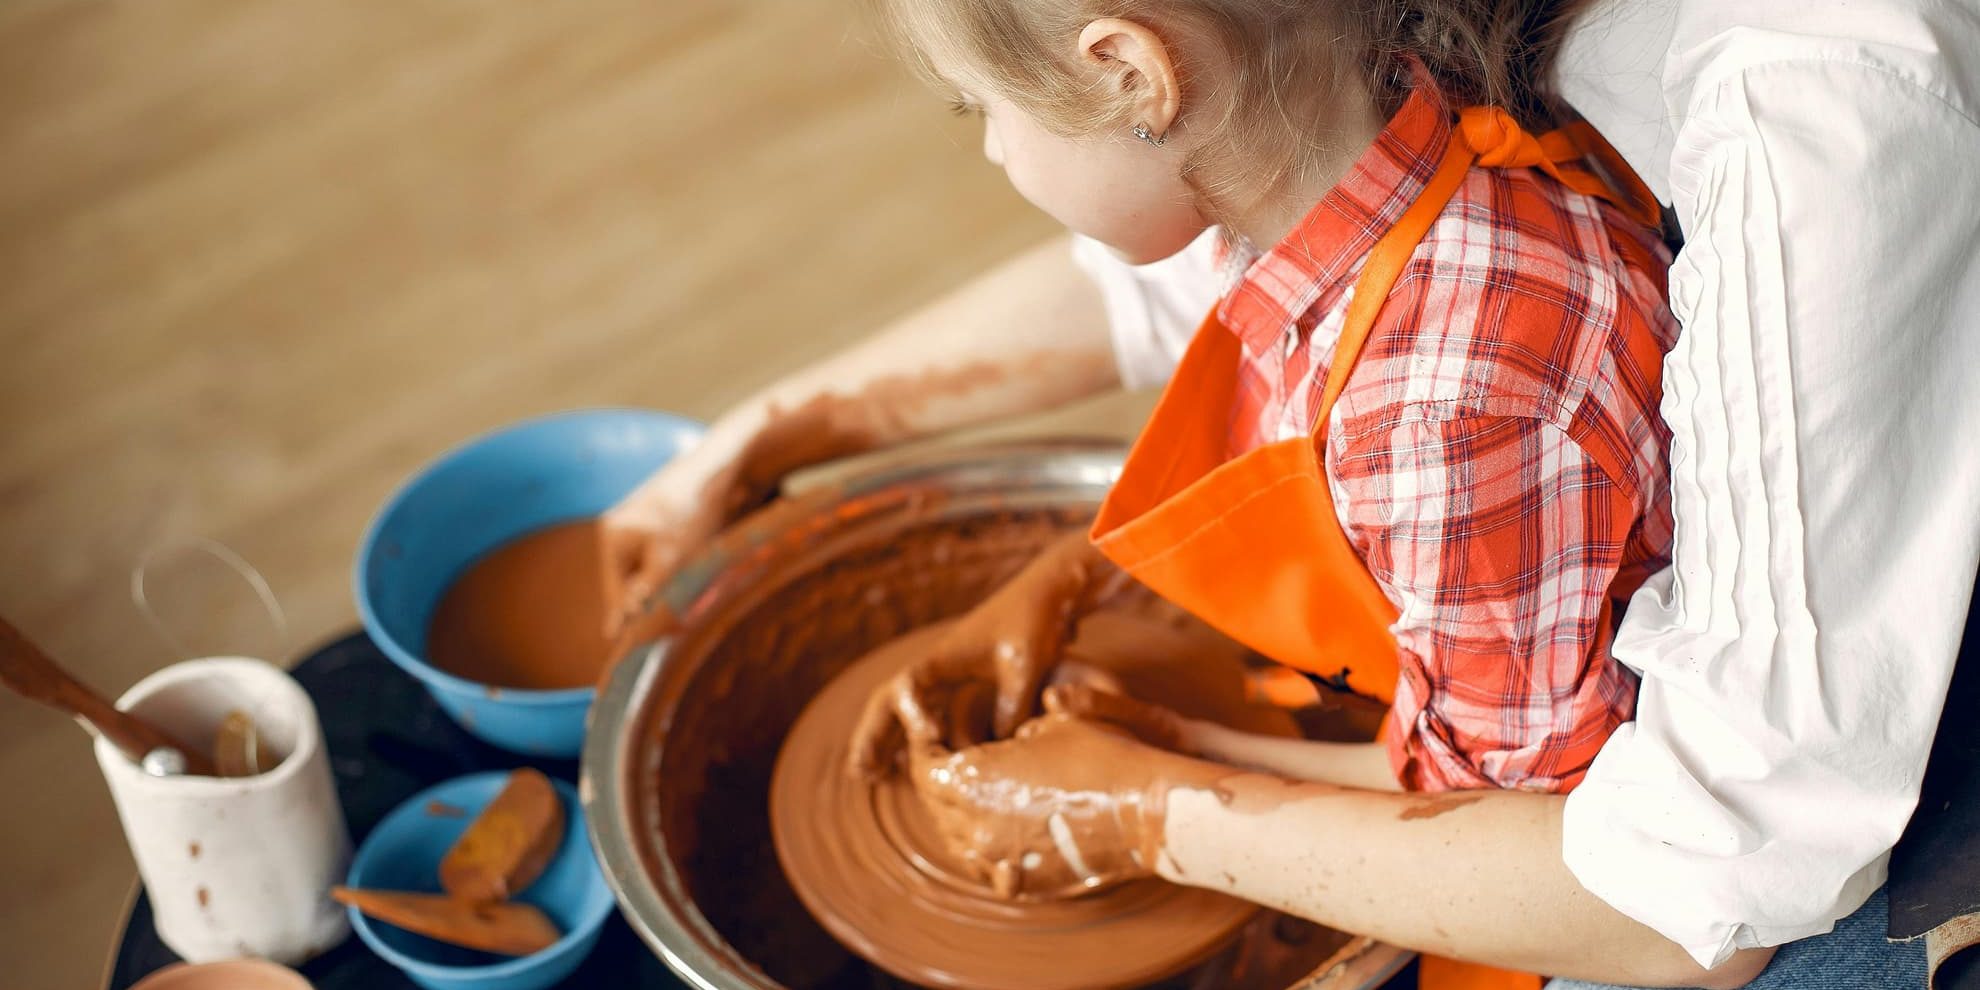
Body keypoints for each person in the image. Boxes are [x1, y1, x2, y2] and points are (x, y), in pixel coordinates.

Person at [601, 1, 1980, 985]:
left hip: (1786, 776)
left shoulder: (1442, 403)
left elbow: (1663, 882)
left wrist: (1145, 798)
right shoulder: (1359, 135)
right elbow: (1179, 280)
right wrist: (1067, 570)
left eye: (984, 112)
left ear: (1131, 70)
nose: (990, 152)